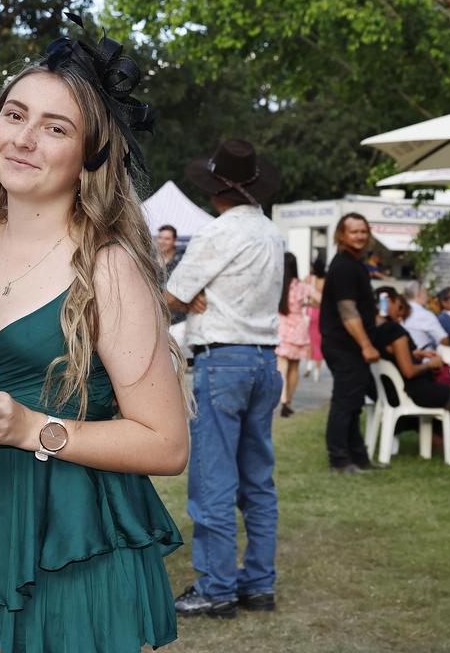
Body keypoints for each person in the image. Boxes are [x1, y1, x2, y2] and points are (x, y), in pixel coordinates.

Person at [0, 27, 189, 652]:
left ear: (89, 156)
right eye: (15, 115)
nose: (24, 138)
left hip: (76, 538)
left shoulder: (106, 267)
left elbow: (166, 444)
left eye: (55, 127)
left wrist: (33, 429)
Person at [165, 139, 284, 619]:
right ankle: (258, 583)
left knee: (214, 479)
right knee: (258, 481)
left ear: (217, 191)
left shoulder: (217, 233)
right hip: (264, 358)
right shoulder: (272, 233)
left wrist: (190, 296)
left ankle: (216, 586)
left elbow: (171, 296)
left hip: (223, 358)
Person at [376, 292, 450, 461]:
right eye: (400, 307)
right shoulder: (394, 331)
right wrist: (430, 364)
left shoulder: (378, 332)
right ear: (388, 303)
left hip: (409, 390)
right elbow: (409, 371)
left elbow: (395, 356)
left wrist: (415, 354)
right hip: (420, 391)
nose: (401, 314)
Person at [318, 212, 379, 475]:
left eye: (363, 231)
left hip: (350, 346)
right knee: (345, 402)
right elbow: (347, 311)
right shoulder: (344, 266)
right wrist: (367, 345)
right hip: (344, 346)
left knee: (354, 402)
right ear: (342, 235)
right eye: (354, 231)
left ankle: (358, 456)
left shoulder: (356, 264)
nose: (360, 236)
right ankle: (339, 460)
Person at [275, 251, 319, 417]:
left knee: (282, 367)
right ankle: (289, 401)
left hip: (281, 327)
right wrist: (309, 303)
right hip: (298, 328)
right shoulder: (301, 286)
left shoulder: (276, 285)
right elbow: (320, 299)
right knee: (294, 368)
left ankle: (283, 398)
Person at [398, 282, 448, 352]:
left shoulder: (399, 311)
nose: (427, 296)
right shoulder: (424, 314)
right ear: (420, 293)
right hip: (423, 356)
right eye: (426, 293)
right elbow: (443, 339)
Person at [303, 256, 326, 381]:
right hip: (321, 313)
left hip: (309, 312)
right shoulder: (325, 281)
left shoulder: (308, 279)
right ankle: (317, 371)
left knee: (309, 341)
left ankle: (309, 364)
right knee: (319, 342)